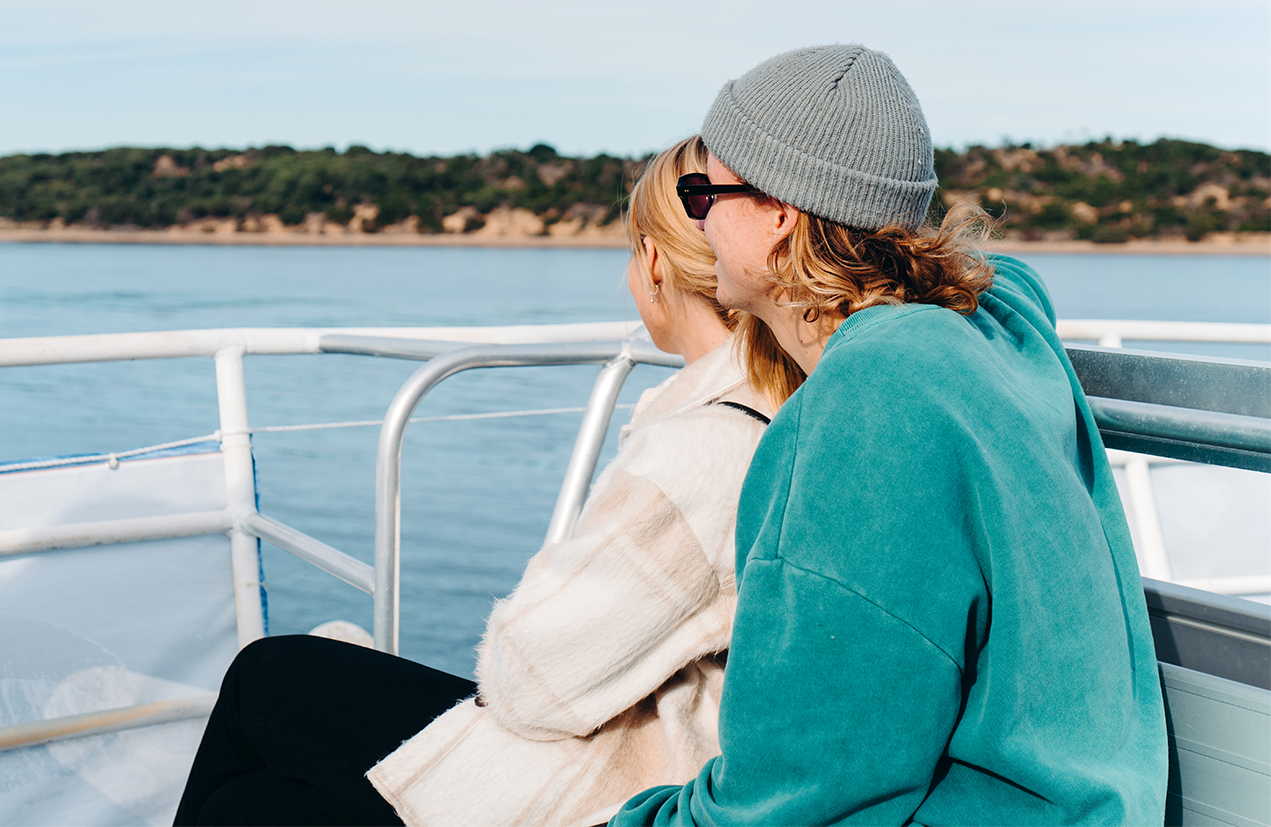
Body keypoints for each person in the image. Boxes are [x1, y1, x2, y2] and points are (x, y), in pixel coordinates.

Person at [613, 44, 1167, 826]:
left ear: (779, 213)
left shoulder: (873, 405)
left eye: (704, 192)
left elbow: (800, 798)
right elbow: (996, 272)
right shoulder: (993, 330)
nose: (696, 220)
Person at [174, 137, 773, 827]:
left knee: (267, 680)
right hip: (675, 745)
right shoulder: (782, 401)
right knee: (260, 801)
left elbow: (529, 680)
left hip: (632, 776)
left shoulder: (704, 445)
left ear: (656, 263)